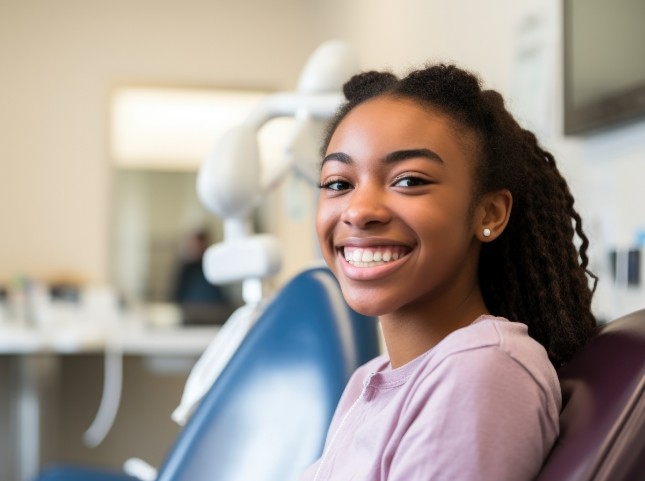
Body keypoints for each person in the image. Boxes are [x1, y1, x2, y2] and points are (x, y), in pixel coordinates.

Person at [301, 64, 597, 480]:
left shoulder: (481, 369)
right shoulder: (367, 381)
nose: (359, 211)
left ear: (488, 212)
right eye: (338, 183)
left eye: (408, 180)